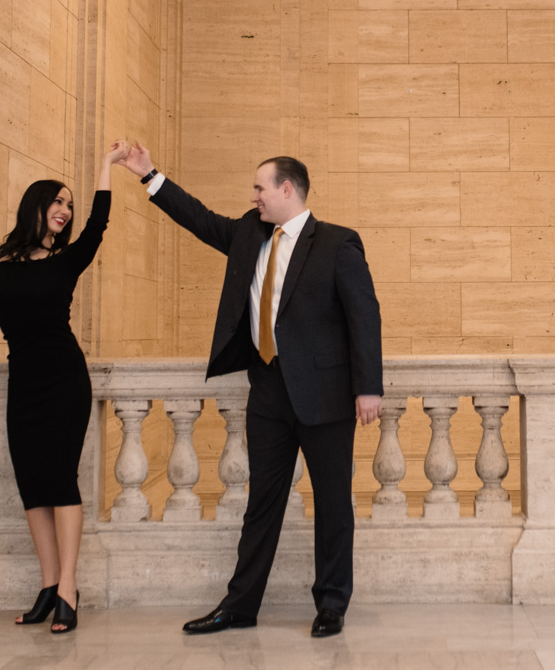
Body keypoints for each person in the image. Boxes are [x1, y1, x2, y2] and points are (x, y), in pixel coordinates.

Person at [121, 144, 382, 638]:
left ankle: (331, 604)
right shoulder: (247, 233)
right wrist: (148, 174)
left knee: (332, 503)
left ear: (288, 189)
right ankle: (240, 605)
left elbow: (364, 317)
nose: (254, 196)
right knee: (262, 501)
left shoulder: (338, 243)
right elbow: (197, 218)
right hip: (267, 392)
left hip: (325, 397)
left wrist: (368, 387)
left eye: (260, 187)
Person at [0, 140, 131, 635]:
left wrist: (105, 166)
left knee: (59, 481)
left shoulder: (65, 262)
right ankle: (47, 585)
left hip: (63, 382)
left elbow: (98, 225)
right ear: (35, 206)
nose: (65, 210)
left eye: (70, 204)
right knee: (32, 488)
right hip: (24, 385)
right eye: (57, 201)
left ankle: (68, 590)